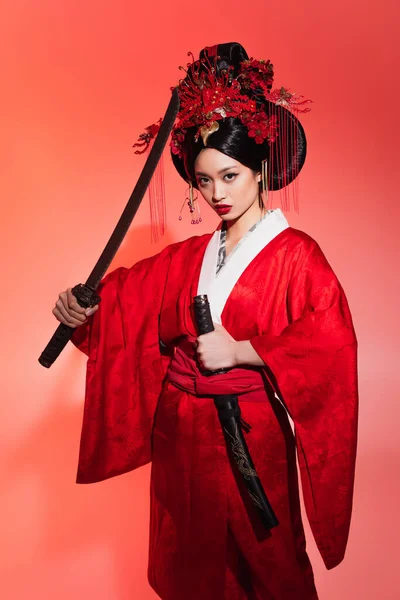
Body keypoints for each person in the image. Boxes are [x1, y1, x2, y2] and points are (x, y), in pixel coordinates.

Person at [52, 43, 358, 600]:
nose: (217, 194)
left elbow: (330, 342)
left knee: (270, 569)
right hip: (182, 435)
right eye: (204, 179)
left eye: (230, 176)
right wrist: (83, 307)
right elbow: (123, 304)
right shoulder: (189, 256)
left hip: (249, 432)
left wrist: (244, 351)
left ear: (262, 167)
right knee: (188, 567)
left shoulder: (297, 257)